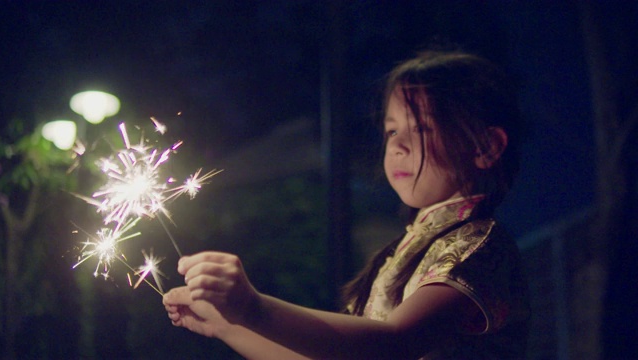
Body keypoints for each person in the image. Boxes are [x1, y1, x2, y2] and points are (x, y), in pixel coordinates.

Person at [163, 50, 530, 359]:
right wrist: (230, 325)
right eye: (391, 130)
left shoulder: (479, 247)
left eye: (421, 128)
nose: (398, 145)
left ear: (485, 147)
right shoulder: (408, 248)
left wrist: (253, 308)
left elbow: (395, 345)